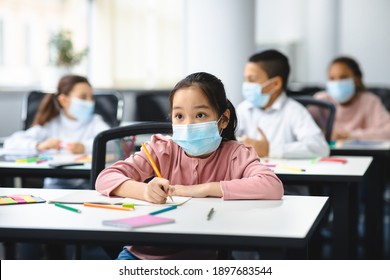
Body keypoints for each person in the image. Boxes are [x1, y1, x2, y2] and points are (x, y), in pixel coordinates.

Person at [96, 72, 284, 260]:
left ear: (223, 119)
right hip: (143, 255)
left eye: (200, 115)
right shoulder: (161, 150)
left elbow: (272, 186)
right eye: (179, 116)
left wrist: (206, 189)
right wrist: (145, 191)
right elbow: (105, 178)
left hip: (201, 257)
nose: (188, 124)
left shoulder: (236, 154)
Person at [4, 74, 110, 189]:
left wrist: (85, 147)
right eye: (83, 97)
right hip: (53, 187)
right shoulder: (50, 124)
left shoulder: (95, 122)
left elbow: (112, 143)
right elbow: (11, 142)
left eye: (91, 97)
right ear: (64, 100)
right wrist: (39, 145)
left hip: (88, 185)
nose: (90, 102)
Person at [236, 49, 330, 158]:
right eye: (246, 79)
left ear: (275, 84)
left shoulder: (295, 111)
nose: (246, 85)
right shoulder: (243, 109)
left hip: (284, 174)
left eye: (251, 80)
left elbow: (319, 147)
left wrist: (270, 150)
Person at [313, 56, 390, 140]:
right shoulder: (320, 101)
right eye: (332, 78)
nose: (337, 83)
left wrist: (349, 136)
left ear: (356, 80)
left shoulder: (370, 101)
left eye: (343, 77)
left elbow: (388, 131)